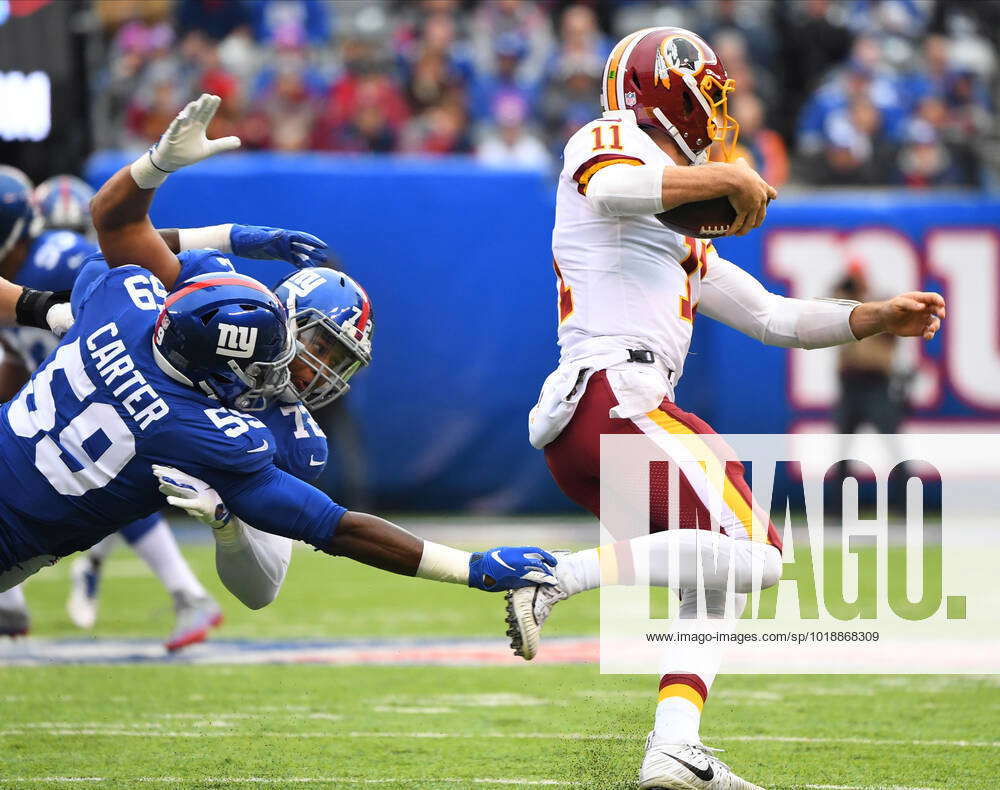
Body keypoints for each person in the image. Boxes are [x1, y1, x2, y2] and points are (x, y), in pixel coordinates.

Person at [503, 27, 945, 790]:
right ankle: (558, 575)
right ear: (664, 88)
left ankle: (673, 745)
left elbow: (773, 317)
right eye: (708, 93)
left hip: (609, 413)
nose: (715, 113)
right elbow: (614, 187)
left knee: (716, 577)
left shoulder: (675, 235)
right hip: (619, 398)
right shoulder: (606, 139)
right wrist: (721, 181)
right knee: (764, 556)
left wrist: (872, 316)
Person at [0, 95, 556, 626]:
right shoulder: (214, 429)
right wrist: (470, 568)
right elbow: (326, 532)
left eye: (336, 359)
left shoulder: (122, 294)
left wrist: (228, 529)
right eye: (317, 346)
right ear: (281, 322)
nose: (319, 371)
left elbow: (117, 233)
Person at [0, 165, 331, 648]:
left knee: (138, 463)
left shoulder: (57, 258)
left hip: (109, 413)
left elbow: (123, 249)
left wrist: (232, 238)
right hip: (72, 422)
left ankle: (185, 594)